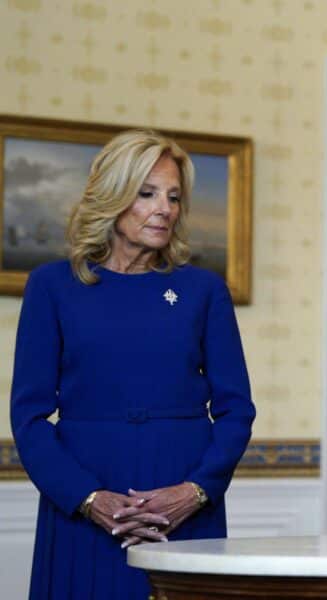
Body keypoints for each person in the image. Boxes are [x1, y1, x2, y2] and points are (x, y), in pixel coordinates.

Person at [10, 129, 255, 599]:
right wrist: (86, 498)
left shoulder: (203, 291)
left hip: (182, 500)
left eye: (174, 196)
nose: (164, 208)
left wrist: (196, 491)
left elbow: (236, 409)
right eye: (147, 193)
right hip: (84, 498)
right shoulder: (51, 287)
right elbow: (29, 416)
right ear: (113, 196)